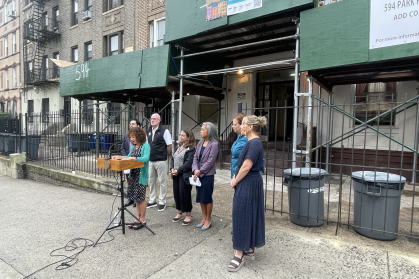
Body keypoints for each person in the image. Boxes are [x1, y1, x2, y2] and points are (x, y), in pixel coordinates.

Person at [228, 115, 266, 272]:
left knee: (241, 215)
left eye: (243, 124)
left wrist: (235, 180)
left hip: (248, 183)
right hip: (250, 183)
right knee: (249, 214)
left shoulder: (254, 143)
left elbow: (246, 166)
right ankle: (249, 249)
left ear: (250, 127)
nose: (240, 126)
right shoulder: (253, 142)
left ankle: (239, 254)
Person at [112, 127, 150, 230]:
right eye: (131, 137)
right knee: (136, 198)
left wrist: (135, 158)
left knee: (141, 198)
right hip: (133, 176)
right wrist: (120, 157)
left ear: (139, 136)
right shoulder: (134, 147)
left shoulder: (145, 146)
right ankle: (136, 218)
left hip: (141, 176)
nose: (132, 139)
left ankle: (142, 219)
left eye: (134, 137)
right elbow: (128, 156)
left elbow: (146, 158)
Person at [192, 122, 219, 230]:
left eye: (203, 130)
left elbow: (210, 161)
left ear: (209, 132)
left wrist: (200, 171)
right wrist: (195, 169)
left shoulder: (214, 144)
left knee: (207, 197)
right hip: (198, 174)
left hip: (207, 175)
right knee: (200, 197)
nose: (201, 131)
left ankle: (208, 218)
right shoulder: (200, 143)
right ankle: (203, 217)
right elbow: (195, 158)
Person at [146, 113, 173, 212]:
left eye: (154, 119)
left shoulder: (164, 131)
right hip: (151, 160)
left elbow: (170, 145)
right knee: (151, 181)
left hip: (161, 160)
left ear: (159, 120)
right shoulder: (148, 130)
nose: (152, 120)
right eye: (151, 118)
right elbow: (146, 144)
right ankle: (152, 200)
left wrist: (163, 154)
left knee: (162, 181)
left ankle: (162, 201)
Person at [170, 129, 196, 226]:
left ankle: (188, 214)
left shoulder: (191, 149)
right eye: (180, 134)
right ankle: (179, 212)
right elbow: (173, 158)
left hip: (184, 175)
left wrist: (178, 171)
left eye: (183, 135)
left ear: (188, 138)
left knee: (184, 193)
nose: (180, 137)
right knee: (176, 193)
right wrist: (172, 168)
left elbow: (188, 163)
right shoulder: (179, 147)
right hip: (175, 174)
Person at [121, 119, 141, 208]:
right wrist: (126, 157)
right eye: (130, 124)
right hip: (127, 161)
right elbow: (122, 148)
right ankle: (130, 198)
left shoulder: (141, 137)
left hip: (136, 162)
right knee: (129, 181)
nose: (131, 125)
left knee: (136, 181)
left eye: (133, 124)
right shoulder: (126, 136)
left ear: (138, 126)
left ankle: (136, 200)